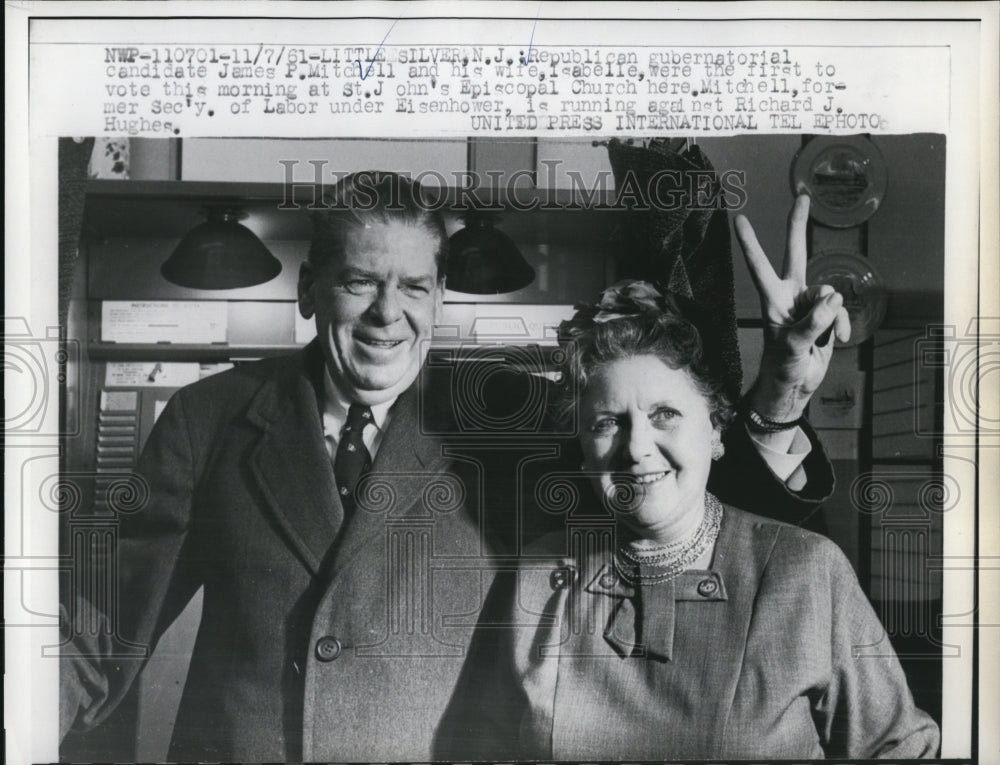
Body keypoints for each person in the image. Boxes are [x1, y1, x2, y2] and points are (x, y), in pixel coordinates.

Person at [60, 171, 845, 762]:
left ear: (438, 299)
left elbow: (677, 518)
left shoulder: (510, 415)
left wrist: (776, 398)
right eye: (361, 281)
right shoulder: (208, 420)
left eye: (414, 287)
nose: (386, 314)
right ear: (310, 289)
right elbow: (98, 635)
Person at [435, 282, 940, 760]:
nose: (636, 448)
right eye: (607, 423)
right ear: (584, 452)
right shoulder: (540, 575)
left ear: (717, 430)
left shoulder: (805, 570)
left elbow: (898, 749)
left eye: (665, 415)